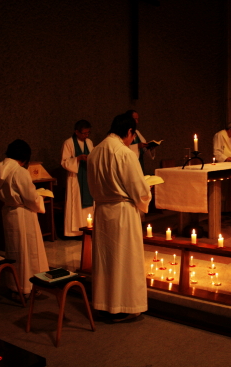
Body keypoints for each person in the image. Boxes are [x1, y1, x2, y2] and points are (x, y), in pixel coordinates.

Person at [87, 114, 151, 322]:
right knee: (124, 260)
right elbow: (138, 188)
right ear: (129, 132)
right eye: (133, 135)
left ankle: (104, 305)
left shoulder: (95, 151)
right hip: (122, 212)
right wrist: (146, 194)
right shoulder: (124, 152)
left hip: (103, 210)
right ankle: (122, 307)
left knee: (106, 260)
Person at [0, 139, 49, 298]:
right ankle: (27, 288)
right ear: (25, 158)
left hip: (9, 212)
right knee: (27, 252)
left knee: (14, 252)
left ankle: (14, 286)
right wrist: (40, 198)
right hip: (23, 214)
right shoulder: (19, 171)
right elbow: (30, 197)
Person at [61, 120, 94, 237]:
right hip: (75, 177)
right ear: (76, 132)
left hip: (87, 175)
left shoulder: (89, 142)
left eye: (88, 133)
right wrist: (78, 159)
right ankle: (76, 231)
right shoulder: (68, 143)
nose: (86, 136)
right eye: (84, 133)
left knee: (89, 201)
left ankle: (89, 228)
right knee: (76, 203)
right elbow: (64, 162)